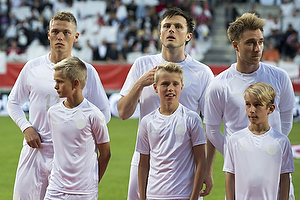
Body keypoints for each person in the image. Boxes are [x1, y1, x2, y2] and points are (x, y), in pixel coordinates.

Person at [7, 11, 111, 200]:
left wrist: (84, 137)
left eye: (66, 32)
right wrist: (26, 127)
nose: (60, 37)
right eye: (55, 31)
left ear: (76, 36)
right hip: (35, 150)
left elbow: (104, 111)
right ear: (48, 34)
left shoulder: (87, 71)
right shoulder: (32, 67)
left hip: (70, 157)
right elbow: (13, 103)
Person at [117, 7, 214, 200]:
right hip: (145, 161)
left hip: (184, 166)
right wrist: (139, 83)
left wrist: (208, 169)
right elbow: (122, 112)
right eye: (166, 26)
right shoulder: (142, 65)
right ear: (159, 32)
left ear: (188, 36)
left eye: (178, 26)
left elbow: (210, 126)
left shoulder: (202, 73)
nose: (171, 30)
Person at [204, 13, 295, 199]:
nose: (257, 48)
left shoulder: (280, 77)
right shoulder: (219, 85)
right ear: (235, 45)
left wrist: (270, 149)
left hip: (275, 168)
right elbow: (212, 130)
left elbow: (286, 117)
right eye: (250, 42)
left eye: (260, 41)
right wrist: (238, 154)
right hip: (240, 175)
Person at [137, 62, 207, 200]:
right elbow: (143, 164)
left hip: (184, 194)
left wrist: (193, 197)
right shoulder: (147, 121)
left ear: (181, 87)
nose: (170, 88)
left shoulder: (192, 119)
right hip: (154, 194)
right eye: (165, 84)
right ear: (155, 87)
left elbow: (201, 161)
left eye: (175, 84)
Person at [44, 57, 111, 199]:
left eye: (60, 82)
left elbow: (105, 154)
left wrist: (92, 182)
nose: (55, 86)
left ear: (75, 83)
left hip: (84, 193)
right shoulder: (52, 112)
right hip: (55, 190)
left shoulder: (94, 115)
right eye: (55, 81)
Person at [224, 82, 294, 199]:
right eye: (248, 104)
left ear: (270, 109)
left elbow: (285, 179)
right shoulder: (235, 140)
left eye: (257, 105)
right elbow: (230, 176)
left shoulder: (281, 141)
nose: (251, 110)